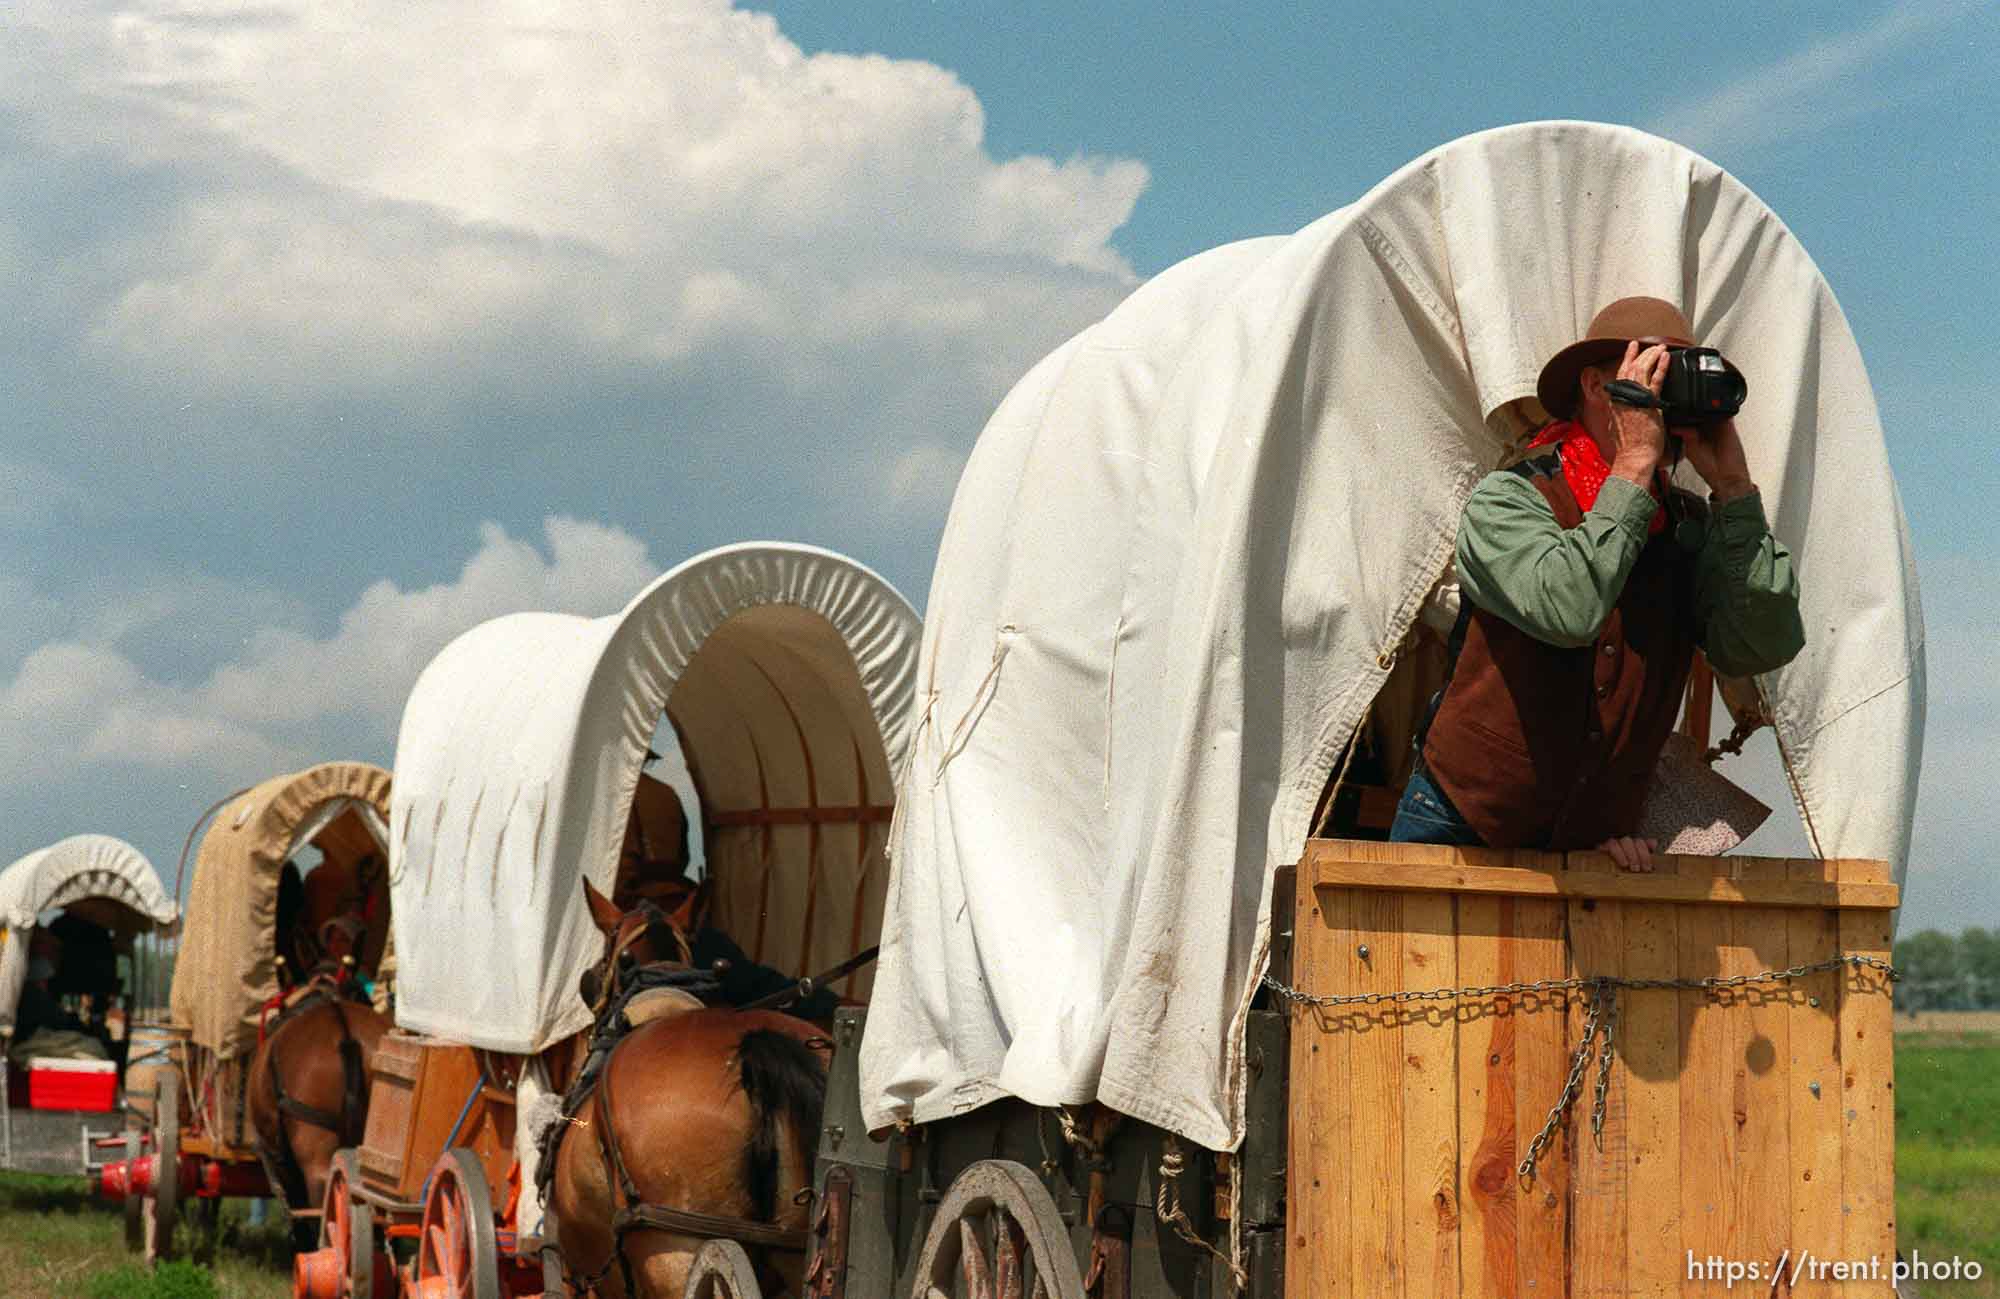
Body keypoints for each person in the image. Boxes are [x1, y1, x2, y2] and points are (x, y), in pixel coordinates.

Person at [1391, 296, 1805, 871]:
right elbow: (1570, 612)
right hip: (1461, 824)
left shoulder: (1686, 523)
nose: (1663, 400)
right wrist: (1635, 463)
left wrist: (1734, 490)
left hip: (1591, 843)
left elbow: (1760, 645)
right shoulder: (1510, 499)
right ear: (1593, 385)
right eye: (1650, 375)